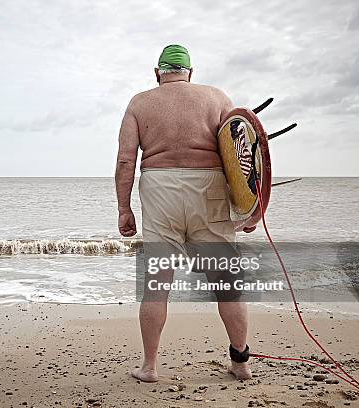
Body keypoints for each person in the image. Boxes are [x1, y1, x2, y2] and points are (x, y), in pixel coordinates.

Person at [115, 44, 252, 382]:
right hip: (209, 188)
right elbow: (244, 155)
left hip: (160, 188)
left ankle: (149, 367)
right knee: (227, 283)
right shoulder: (217, 98)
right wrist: (251, 207)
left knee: (157, 284)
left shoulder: (139, 102)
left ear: (157, 73)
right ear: (190, 72)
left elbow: (125, 160)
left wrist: (124, 209)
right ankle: (241, 362)